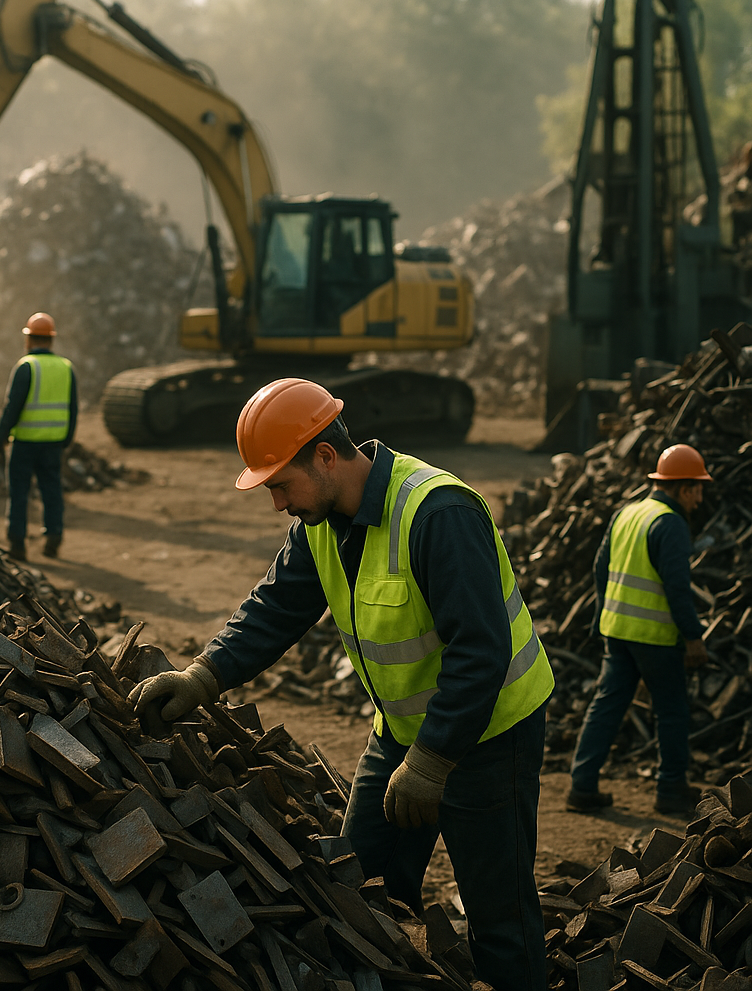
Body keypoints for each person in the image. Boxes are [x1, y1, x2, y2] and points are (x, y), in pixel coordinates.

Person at [128, 378, 555, 991]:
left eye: (280, 484)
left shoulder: (439, 514)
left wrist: (433, 761)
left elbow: (481, 652)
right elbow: (275, 608)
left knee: (499, 918)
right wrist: (203, 676)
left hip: (491, 734)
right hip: (404, 731)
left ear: (326, 456)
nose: (277, 504)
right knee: (353, 881)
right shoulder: (321, 520)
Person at [567, 443, 710, 817]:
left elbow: (601, 568)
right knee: (672, 711)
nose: (700, 498)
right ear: (683, 488)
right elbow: (677, 588)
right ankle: (671, 790)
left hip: (617, 631)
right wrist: (693, 636)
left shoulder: (628, 513)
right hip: (656, 638)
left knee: (607, 705)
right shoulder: (671, 524)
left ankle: (581, 787)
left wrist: (605, 616)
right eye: (698, 488)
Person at [0, 312, 77, 562]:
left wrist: (0, 437)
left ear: (28, 339)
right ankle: (54, 537)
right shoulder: (66, 367)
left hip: (25, 443)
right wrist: (67, 439)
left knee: (19, 491)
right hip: (53, 443)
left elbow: (12, 407)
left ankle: (17, 544)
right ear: (51, 340)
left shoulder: (26, 366)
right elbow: (73, 408)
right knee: (51, 489)